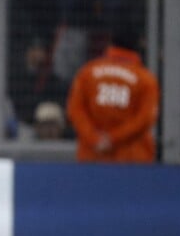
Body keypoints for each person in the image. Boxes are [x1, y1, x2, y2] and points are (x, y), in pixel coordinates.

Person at [66, 26, 159, 162]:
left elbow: (75, 110)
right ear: (140, 44)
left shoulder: (87, 73)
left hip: (92, 156)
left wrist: (95, 139)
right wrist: (112, 139)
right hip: (133, 160)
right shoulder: (145, 79)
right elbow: (145, 119)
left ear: (111, 43)